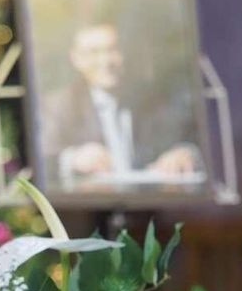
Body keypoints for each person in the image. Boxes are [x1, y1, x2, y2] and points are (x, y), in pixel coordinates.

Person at [41, 23, 203, 191]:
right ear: (76, 59)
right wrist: (72, 159)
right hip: (89, 204)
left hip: (152, 201)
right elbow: (40, 161)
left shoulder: (153, 100)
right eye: (94, 52)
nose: (106, 61)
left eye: (112, 50)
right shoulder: (57, 106)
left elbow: (191, 136)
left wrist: (186, 152)